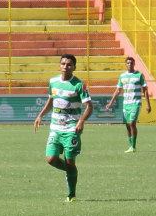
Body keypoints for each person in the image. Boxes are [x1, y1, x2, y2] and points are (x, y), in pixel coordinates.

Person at [34, 53, 93, 201]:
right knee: (51, 159)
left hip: (71, 129)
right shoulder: (53, 82)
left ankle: (71, 195)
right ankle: (71, 172)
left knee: (70, 161)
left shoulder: (79, 85)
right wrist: (40, 115)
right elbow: (51, 101)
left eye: (69, 64)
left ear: (74, 67)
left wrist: (81, 121)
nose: (66, 66)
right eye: (63, 64)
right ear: (60, 65)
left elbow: (89, 107)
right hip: (55, 128)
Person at [105, 56, 151, 153]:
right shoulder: (122, 76)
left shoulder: (139, 75)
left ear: (134, 64)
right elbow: (118, 90)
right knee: (127, 125)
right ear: (126, 64)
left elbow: (145, 90)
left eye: (131, 63)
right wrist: (110, 103)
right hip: (126, 104)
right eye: (128, 63)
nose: (130, 64)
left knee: (132, 123)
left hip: (136, 103)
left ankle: (133, 146)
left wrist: (148, 104)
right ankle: (130, 145)